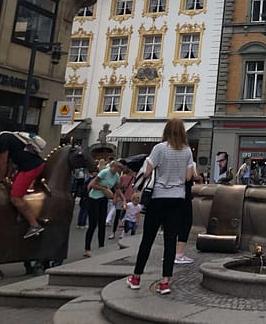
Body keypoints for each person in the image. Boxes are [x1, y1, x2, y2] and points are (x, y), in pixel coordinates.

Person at [127, 119, 195, 295]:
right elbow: (188, 177)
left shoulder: (159, 148)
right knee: (171, 241)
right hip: (177, 199)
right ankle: (165, 282)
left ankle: (136, 277)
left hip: (158, 198)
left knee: (147, 239)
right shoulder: (187, 151)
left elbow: (147, 172)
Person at [0, 122, 46, 238]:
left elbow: (3, 162)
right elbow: (11, 162)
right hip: (29, 166)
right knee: (10, 188)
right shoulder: (8, 137)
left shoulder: (2, 139)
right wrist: (7, 178)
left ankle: (34, 225)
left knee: (15, 198)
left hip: (31, 168)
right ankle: (21, 213)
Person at [84, 160, 123, 257]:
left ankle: (101, 246)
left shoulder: (116, 176)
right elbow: (93, 185)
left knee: (102, 224)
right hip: (94, 198)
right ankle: (87, 248)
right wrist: (104, 188)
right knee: (93, 224)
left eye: (119, 170)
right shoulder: (104, 172)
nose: (117, 171)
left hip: (103, 199)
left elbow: (117, 188)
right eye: (116, 169)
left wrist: (122, 199)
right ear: (112, 167)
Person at [174, 158, 200, 265]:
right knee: (185, 223)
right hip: (184, 196)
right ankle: (179, 254)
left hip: (170, 195)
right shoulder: (189, 162)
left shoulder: (171, 160)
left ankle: (170, 253)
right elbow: (194, 176)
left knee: (172, 224)